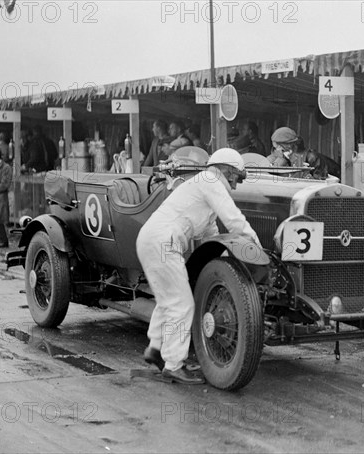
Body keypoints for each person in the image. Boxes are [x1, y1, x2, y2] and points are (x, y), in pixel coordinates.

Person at [136, 148, 261, 385]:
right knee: (182, 304)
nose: (237, 183)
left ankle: (155, 350)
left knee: (168, 301)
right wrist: (256, 246)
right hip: (163, 241)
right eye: (238, 176)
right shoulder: (210, 180)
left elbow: (211, 234)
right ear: (228, 171)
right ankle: (174, 366)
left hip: (153, 240)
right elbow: (234, 219)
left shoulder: (203, 185)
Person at [267, 127, 338, 179]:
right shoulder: (276, 156)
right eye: (276, 147)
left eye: (279, 147)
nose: (277, 150)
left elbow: (323, 182)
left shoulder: (311, 157)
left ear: (289, 144)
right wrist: (281, 160)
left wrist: (307, 176)